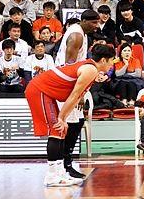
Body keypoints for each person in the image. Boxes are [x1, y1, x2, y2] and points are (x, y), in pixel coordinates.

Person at [24, 44, 114, 187]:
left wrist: (63, 118)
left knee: (61, 130)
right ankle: (51, 176)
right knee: (56, 129)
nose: (112, 64)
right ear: (103, 60)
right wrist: (61, 118)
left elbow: (76, 97)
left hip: (46, 92)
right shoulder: (90, 69)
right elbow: (74, 95)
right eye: (111, 60)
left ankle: (60, 173)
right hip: (39, 90)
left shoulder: (92, 69)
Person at [54, 10, 101, 180]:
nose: (96, 26)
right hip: (64, 83)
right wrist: (78, 94)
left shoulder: (82, 32)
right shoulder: (76, 36)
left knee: (77, 122)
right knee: (66, 126)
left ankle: (66, 163)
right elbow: (69, 68)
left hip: (70, 83)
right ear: (84, 21)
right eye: (94, 23)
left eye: (98, 22)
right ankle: (61, 167)